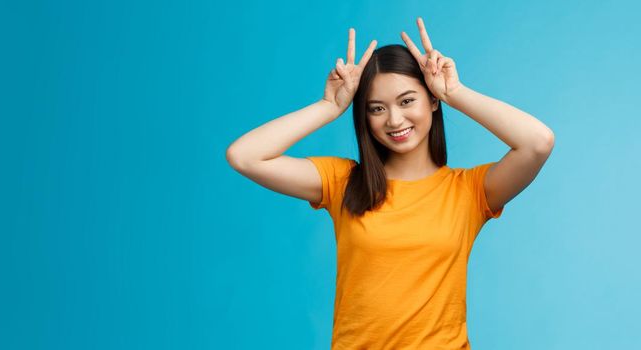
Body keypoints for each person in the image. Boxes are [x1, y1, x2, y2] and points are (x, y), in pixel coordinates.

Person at [226, 17, 554, 349]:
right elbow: (245, 156)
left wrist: (456, 92)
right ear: (364, 117)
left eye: (407, 100)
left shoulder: (468, 191)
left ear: (432, 100)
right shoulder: (343, 182)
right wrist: (328, 107)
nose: (394, 120)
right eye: (377, 108)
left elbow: (538, 142)